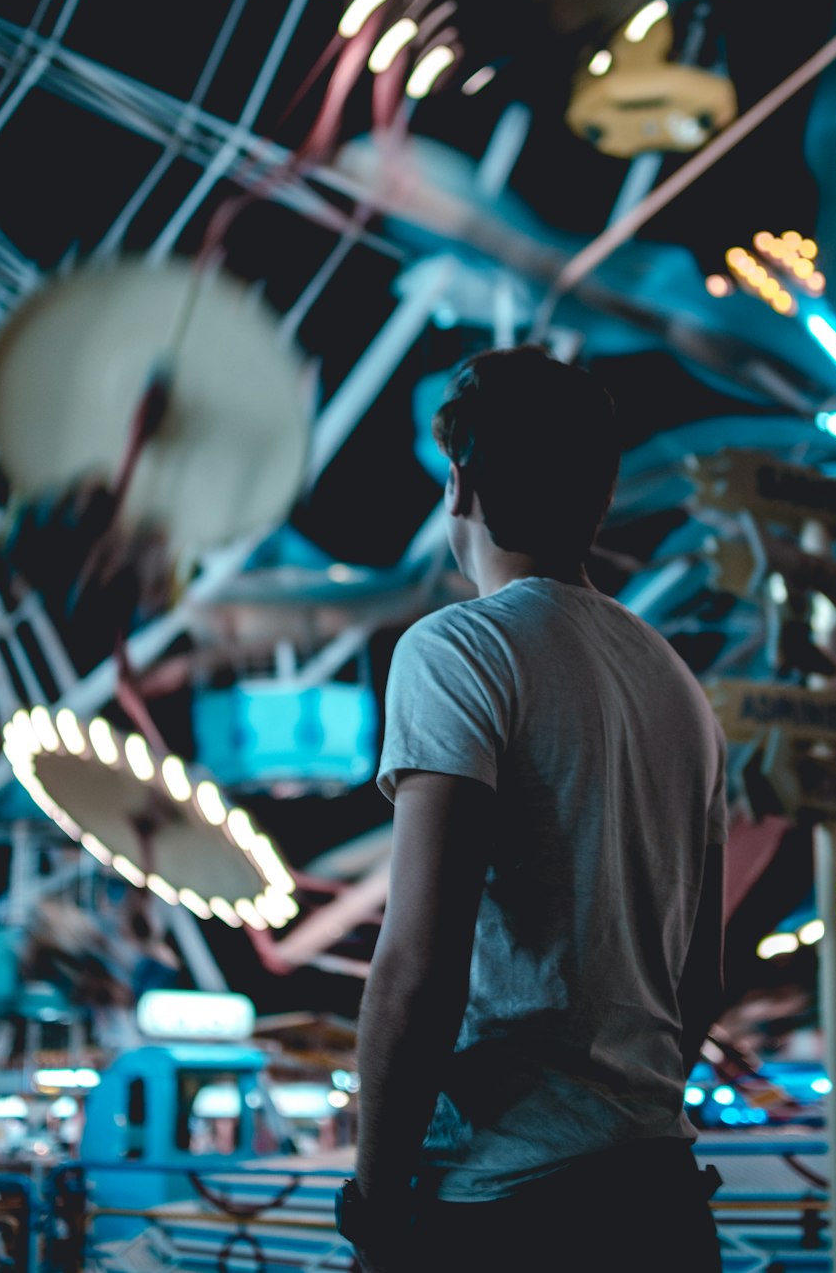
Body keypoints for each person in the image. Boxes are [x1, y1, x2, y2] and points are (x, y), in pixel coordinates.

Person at [335, 346, 726, 1272]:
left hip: (505, 1209)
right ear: (599, 498)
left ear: (460, 483)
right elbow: (698, 984)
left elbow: (417, 967)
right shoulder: (679, 687)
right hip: (661, 1196)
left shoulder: (457, 653)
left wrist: (377, 1207)